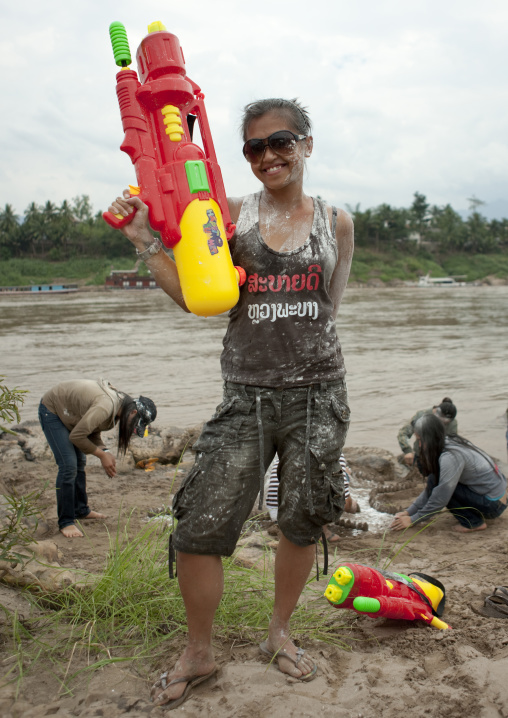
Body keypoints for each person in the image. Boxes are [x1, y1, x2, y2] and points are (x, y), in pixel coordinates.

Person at [108, 97, 354, 707]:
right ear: (244, 157)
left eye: (282, 141)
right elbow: (196, 296)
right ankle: (199, 653)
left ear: (307, 145)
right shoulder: (227, 216)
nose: (269, 155)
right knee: (200, 525)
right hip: (244, 396)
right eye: (254, 147)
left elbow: (331, 305)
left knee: (301, 520)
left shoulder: (337, 222)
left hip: (319, 395)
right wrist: (142, 237)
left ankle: (279, 635)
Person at [39, 379, 156, 538]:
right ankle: (66, 522)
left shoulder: (119, 409)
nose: (132, 429)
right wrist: (101, 455)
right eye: (135, 425)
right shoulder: (105, 407)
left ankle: (81, 510)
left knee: (80, 462)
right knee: (69, 465)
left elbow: (92, 431)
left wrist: (105, 451)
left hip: (71, 412)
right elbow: (77, 436)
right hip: (53, 410)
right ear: (134, 412)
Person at [391, 413, 507, 534]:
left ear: (429, 438)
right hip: (496, 496)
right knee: (436, 480)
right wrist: (409, 512)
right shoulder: (448, 440)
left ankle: (473, 523)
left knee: (445, 490)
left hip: (493, 505)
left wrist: (412, 520)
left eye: (420, 440)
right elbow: (431, 487)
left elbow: (440, 498)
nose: (419, 445)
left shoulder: (450, 457)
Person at [265, 452, 360, 544]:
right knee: (331, 485)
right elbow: (344, 502)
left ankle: (284, 525)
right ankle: (321, 533)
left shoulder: (289, 446)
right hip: (302, 517)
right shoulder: (335, 453)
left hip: (276, 512)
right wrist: (353, 505)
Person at [397, 397, 458, 468]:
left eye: (446, 423)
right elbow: (403, 433)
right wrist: (407, 451)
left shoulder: (452, 423)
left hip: (441, 458)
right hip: (421, 457)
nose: (442, 424)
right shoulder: (422, 416)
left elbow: (452, 442)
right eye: (441, 420)